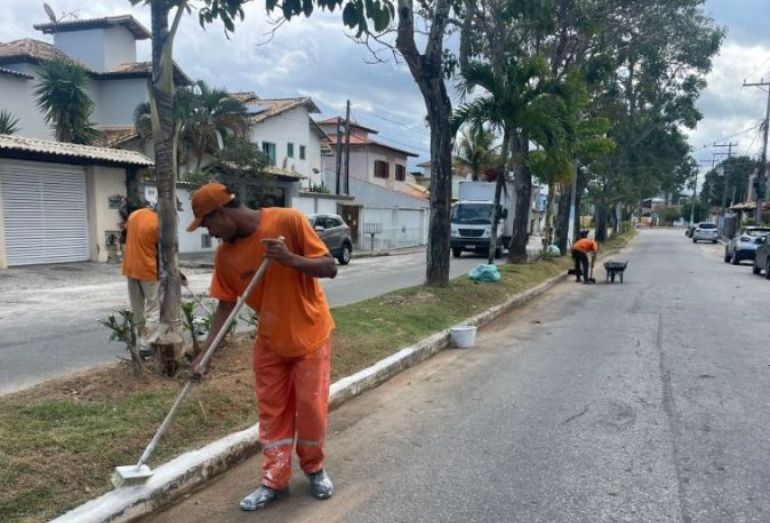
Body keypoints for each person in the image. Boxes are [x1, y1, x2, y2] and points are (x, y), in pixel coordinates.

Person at [187, 183, 338, 511]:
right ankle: (274, 480)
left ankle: (314, 469)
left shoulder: (287, 221)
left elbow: (329, 267)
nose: (210, 233)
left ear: (221, 213)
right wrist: (205, 354)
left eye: (207, 224)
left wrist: (289, 259)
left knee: (311, 411)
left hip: (310, 335)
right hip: (270, 341)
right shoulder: (225, 255)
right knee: (272, 415)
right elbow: (226, 305)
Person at [121, 206, 159, 356]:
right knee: (154, 308)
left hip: (130, 267)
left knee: (138, 309)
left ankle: (142, 338)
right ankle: (146, 345)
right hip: (149, 269)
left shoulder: (134, 215)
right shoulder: (159, 222)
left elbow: (124, 235)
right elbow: (163, 250)